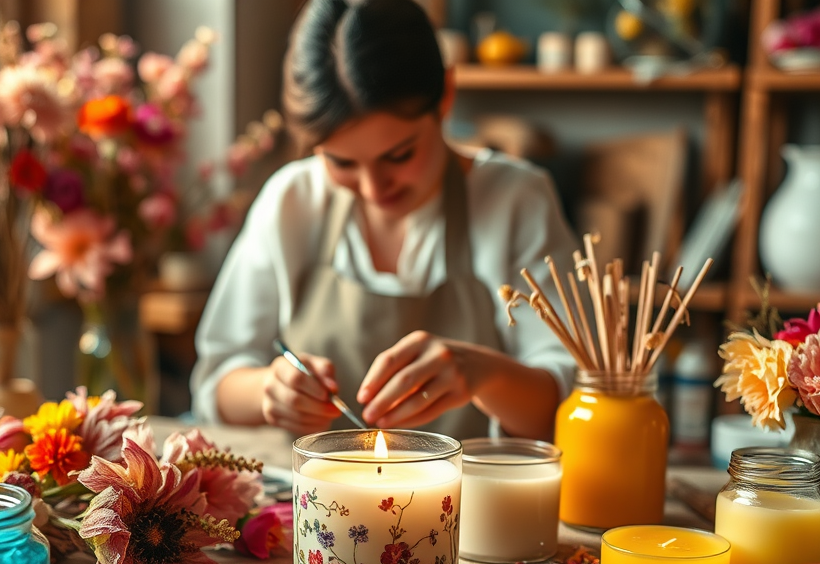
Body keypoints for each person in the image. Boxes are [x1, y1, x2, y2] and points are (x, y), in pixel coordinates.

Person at [191, 0, 579, 440]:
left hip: (471, 504)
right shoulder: (292, 200)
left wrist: (481, 375)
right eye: (341, 163)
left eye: (399, 155)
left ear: (446, 95)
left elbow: (573, 410)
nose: (375, 189)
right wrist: (269, 391)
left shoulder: (513, 200)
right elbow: (215, 383)